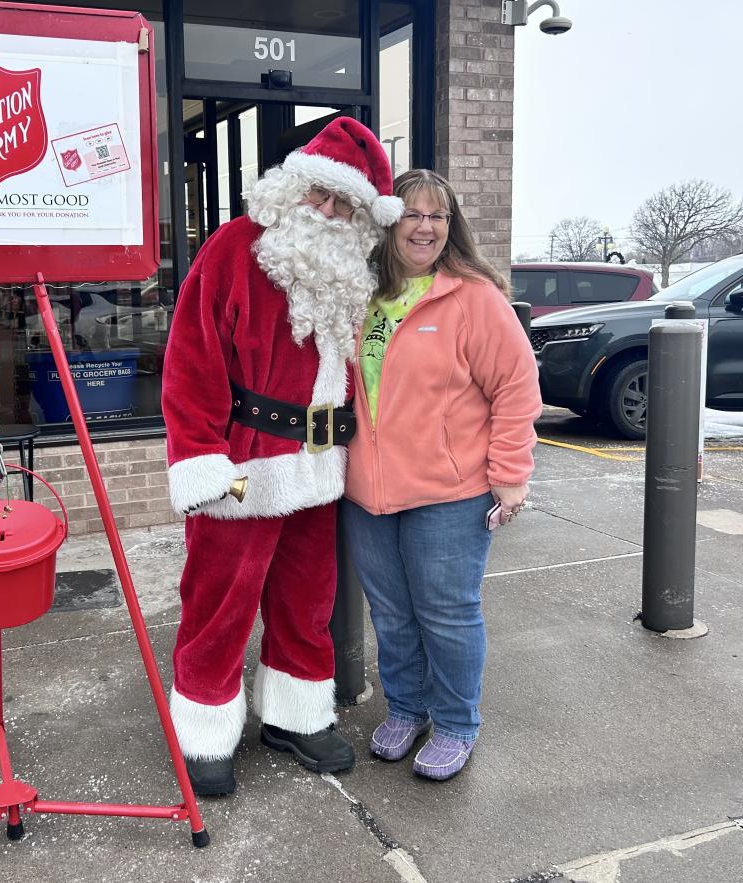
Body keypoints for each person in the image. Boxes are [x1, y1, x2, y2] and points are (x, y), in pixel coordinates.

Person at [161, 118, 404, 796]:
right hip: (241, 463)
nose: (328, 213)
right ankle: (204, 725)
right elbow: (190, 361)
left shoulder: (352, 273)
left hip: (320, 464)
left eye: (345, 205)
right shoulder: (234, 249)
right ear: (293, 187)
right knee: (221, 598)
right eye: (321, 196)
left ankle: (293, 714)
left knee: (307, 596)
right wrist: (199, 455)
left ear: (360, 218)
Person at [342, 169, 542, 781]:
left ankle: (456, 723)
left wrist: (510, 477)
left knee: (446, 613)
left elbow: (516, 389)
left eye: (437, 215)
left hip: (448, 493)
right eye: (411, 213)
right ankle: (407, 708)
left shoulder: (473, 298)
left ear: (449, 227)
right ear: (386, 223)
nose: (424, 226)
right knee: (391, 612)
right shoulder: (360, 296)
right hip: (366, 493)